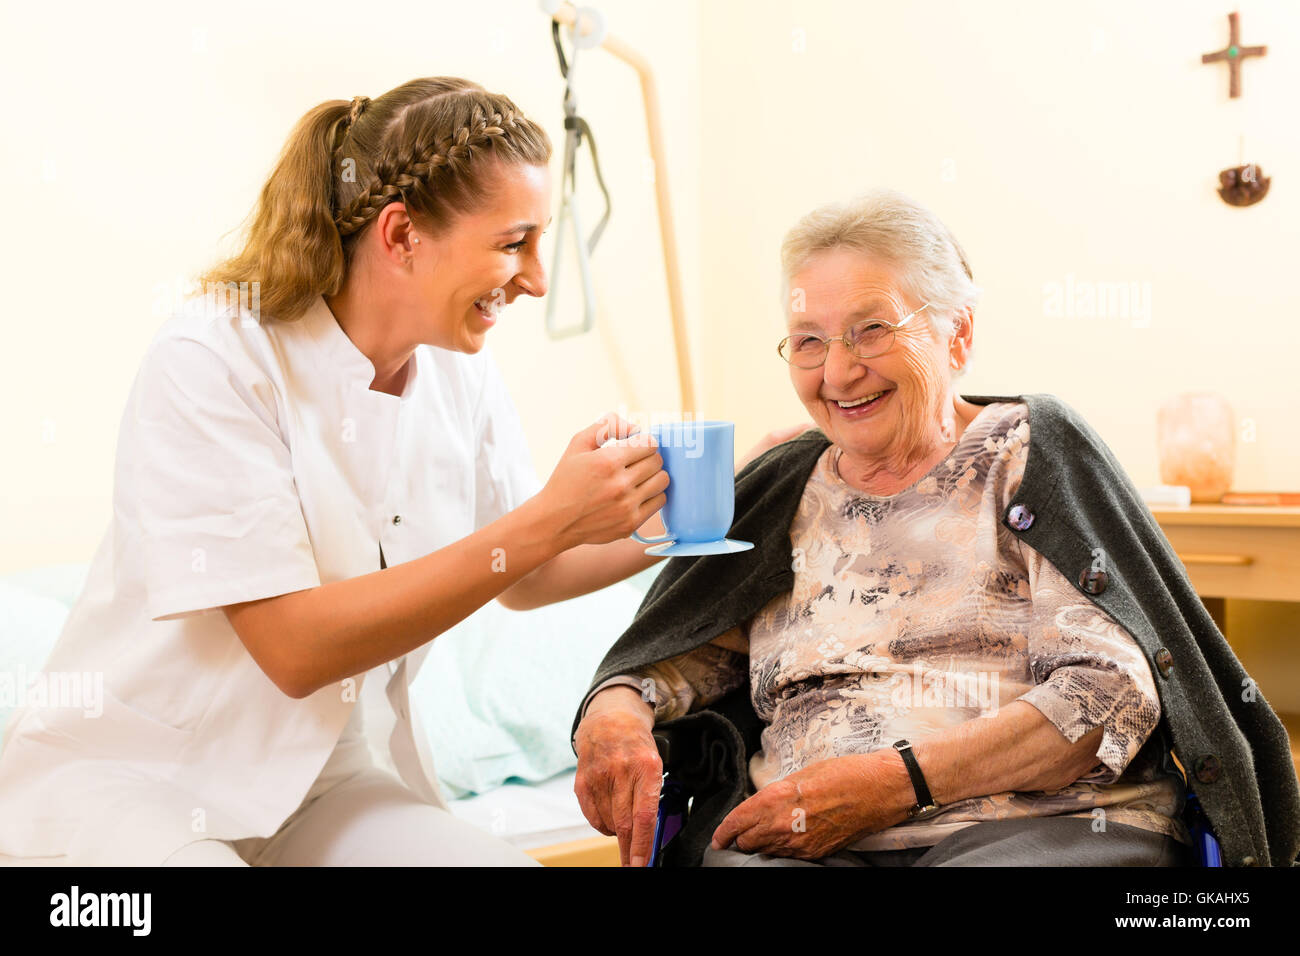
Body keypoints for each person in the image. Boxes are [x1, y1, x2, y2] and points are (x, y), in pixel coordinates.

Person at [0, 76, 798, 867]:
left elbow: (526, 573)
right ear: (401, 235)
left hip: (325, 783)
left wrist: (722, 498)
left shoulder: (459, 374)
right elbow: (294, 649)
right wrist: (549, 517)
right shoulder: (214, 358)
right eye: (513, 242)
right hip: (141, 782)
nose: (537, 277)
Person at [571, 189, 1300, 867]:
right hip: (794, 837)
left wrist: (890, 783)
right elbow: (683, 650)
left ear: (959, 333)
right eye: (809, 341)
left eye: (872, 330)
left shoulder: (1027, 453)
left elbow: (1105, 697)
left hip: (1037, 827)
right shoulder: (785, 483)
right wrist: (616, 710)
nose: (839, 371)